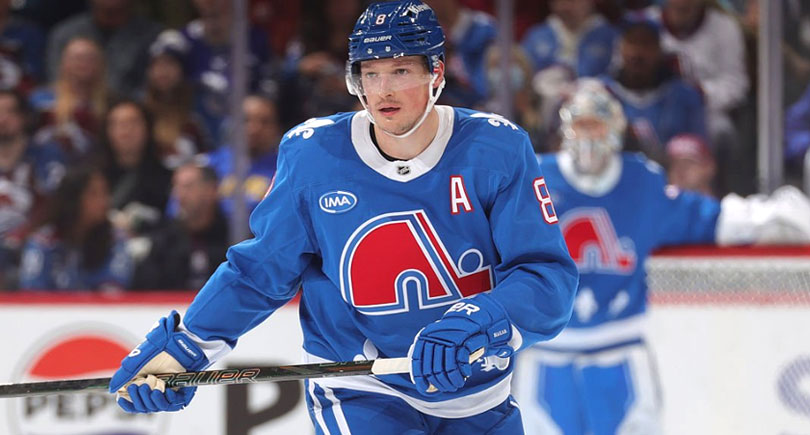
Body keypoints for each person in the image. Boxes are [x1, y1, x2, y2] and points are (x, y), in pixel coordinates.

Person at [107, 2, 579, 434]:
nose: (383, 90)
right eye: (370, 73)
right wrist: (188, 345)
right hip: (360, 386)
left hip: (476, 390)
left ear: (435, 74)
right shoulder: (314, 155)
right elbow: (261, 270)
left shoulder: (497, 148)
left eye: (400, 71)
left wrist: (483, 319)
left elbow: (547, 278)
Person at [512, 79, 810, 434]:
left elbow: (710, 218)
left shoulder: (641, 182)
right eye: (581, 124)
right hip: (546, 359)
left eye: (596, 125)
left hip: (621, 355)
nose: (588, 136)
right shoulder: (532, 180)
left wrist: (778, 217)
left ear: (616, 128)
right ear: (565, 128)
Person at [601, 16, 707, 165]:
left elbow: (699, 156)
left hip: (671, 175)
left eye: (646, 43)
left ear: (659, 49)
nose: (637, 52)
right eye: (632, 42)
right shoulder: (602, 92)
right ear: (620, 48)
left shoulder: (685, 96)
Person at [18, 165, 132, 291]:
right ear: (74, 199)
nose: (104, 201)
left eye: (105, 193)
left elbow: (113, 290)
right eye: (94, 194)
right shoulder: (43, 242)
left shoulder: (115, 240)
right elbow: (33, 292)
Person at [131, 163, 228, 291]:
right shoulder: (165, 238)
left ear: (211, 190)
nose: (180, 195)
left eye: (188, 187)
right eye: (177, 187)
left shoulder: (233, 236)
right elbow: (145, 287)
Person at [45, 0, 163, 97]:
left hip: (133, 113)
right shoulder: (65, 34)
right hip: (72, 111)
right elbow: (55, 84)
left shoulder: (154, 37)